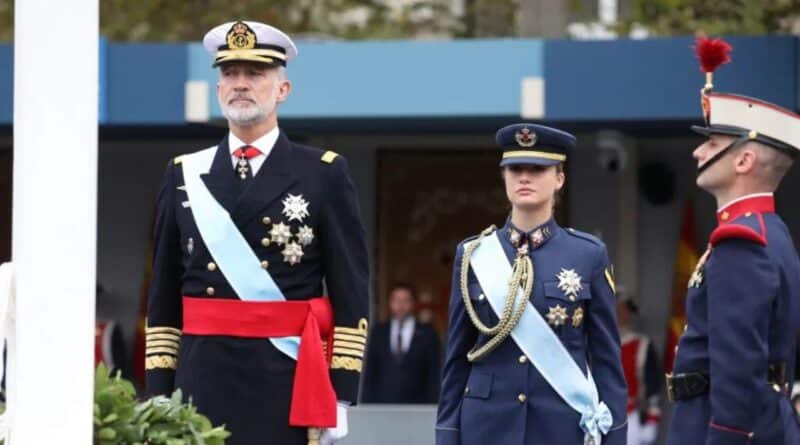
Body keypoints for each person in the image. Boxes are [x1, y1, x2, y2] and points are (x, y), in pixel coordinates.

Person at [144, 20, 369, 445]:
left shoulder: (323, 173)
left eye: (255, 73)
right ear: (217, 90)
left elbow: (350, 288)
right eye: (229, 74)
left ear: (282, 90)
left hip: (284, 380)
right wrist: (158, 389)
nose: (240, 84)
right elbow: (162, 294)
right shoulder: (184, 173)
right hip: (200, 379)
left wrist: (339, 394)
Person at [435, 123, 628, 445]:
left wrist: (615, 436)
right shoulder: (473, 255)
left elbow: (607, 359)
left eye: (537, 169)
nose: (524, 177)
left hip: (560, 425)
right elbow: (456, 356)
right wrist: (446, 434)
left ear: (559, 178)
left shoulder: (587, 254)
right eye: (514, 168)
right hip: (485, 426)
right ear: (504, 177)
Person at [666, 37, 800, 445]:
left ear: (743, 160)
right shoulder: (768, 233)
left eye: (711, 143)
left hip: (725, 428)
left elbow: (738, 367)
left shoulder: (741, 242)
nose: (697, 152)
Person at [362, 283, 441, 403]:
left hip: (419, 407)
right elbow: (371, 372)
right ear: (389, 302)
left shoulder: (428, 334)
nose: (401, 305)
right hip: (382, 406)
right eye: (396, 300)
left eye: (405, 300)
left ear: (413, 303)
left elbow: (434, 374)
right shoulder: (379, 332)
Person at [617, 298, 662, 445]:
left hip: (631, 415)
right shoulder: (597, 342)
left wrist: (652, 418)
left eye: (623, 310)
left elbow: (653, 384)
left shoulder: (643, 344)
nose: (619, 314)